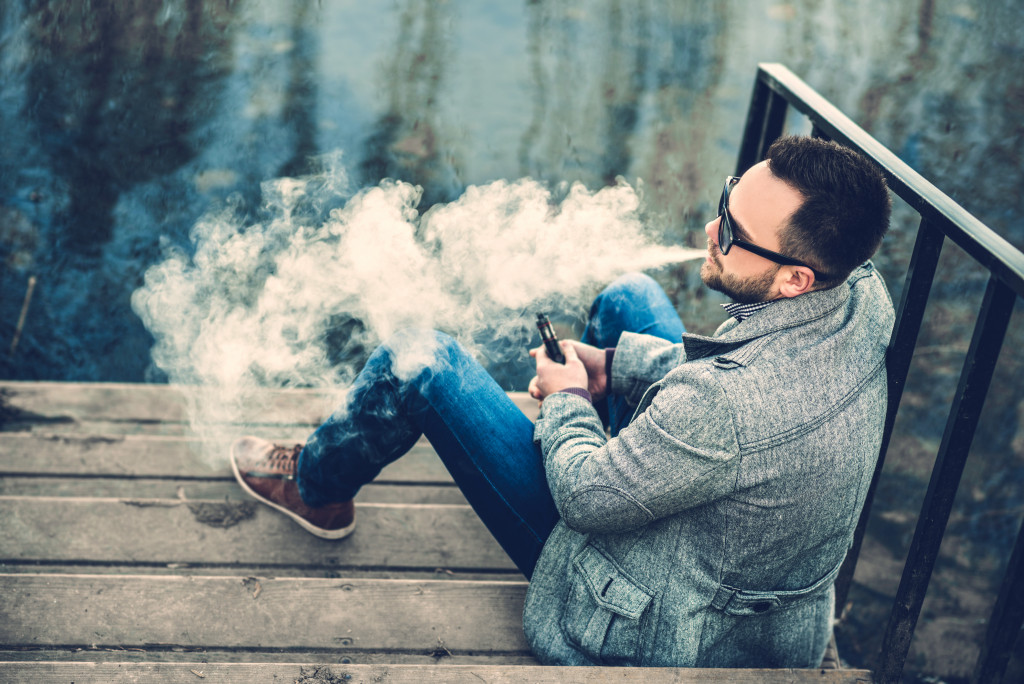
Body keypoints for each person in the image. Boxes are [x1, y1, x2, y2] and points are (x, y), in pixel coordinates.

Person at [230, 135, 894, 668]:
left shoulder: (722, 408)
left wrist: (570, 400)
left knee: (421, 359)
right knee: (628, 296)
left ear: (794, 279)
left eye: (730, 230)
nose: (707, 228)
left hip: (671, 622)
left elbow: (588, 498)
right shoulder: (859, 295)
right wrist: (612, 367)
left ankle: (316, 488)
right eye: (726, 202)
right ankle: (609, 390)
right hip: (747, 572)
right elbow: (737, 385)